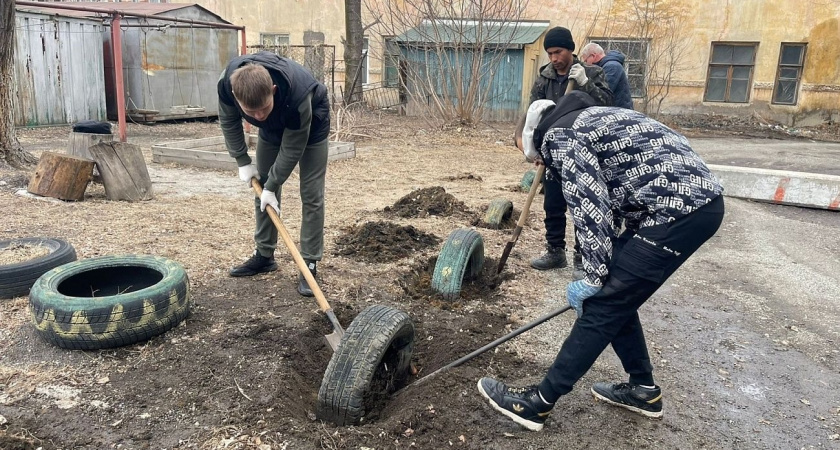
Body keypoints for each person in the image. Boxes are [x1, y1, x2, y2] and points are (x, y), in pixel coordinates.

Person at [479, 90, 725, 431]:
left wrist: (593, 278)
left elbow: (591, 211)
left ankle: (537, 404)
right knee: (617, 293)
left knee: (604, 303)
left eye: (531, 157)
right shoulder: (587, 119)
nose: (536, 164)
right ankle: (642, 390)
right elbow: (615, 194)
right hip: (689, 205)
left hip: (677, 213)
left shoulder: (562, 136)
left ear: (531, 139)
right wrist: (603, 273)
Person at [218, 51, 331, 297]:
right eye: (252, 112)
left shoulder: (297, 94)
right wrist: (242, 160)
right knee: (263, 191)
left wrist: (272, 185)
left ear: (274, 89)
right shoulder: (228, 86)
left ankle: (309, 263)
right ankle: (264, 255)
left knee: (311, 194)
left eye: (264, 108)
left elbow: (293, 147)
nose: (259, 116)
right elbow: (228, 122)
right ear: (237, 98)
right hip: (272, 129)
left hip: (310, 125)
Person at [527, 26, 612, 277]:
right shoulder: (545, 78)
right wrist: (536, 148)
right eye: (550, 53)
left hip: (583, 150)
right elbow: (534, 115)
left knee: (580, 203)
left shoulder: (592, 73)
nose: (554, 58)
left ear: (570, 49)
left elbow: (608, 105)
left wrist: (586, 85)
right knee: (552, 203)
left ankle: (581, 255)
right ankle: (555, 251)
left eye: (558, 52)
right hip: (553, 150)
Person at [580, 43, 634, 110]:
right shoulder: (607, 66)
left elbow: (603, 94)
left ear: (593, 56)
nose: (586, 64)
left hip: (619, 113)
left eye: (586, 61)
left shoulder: (612, 67)